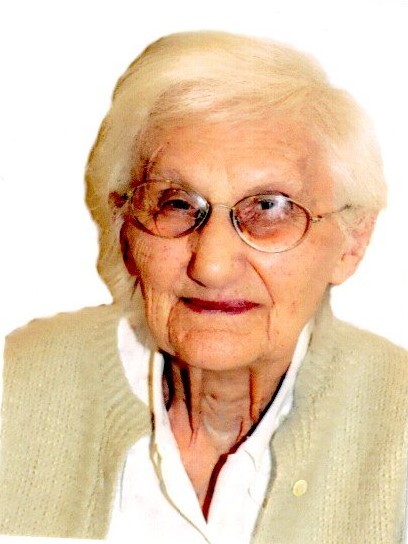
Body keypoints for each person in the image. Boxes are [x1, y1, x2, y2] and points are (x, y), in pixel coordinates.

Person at [1, 30, 407, 543]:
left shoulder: (397, 418)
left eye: (270, 208)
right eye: (176, 203)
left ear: (352, 241)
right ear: (126, 227)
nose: (212, 266)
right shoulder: (16, 384)